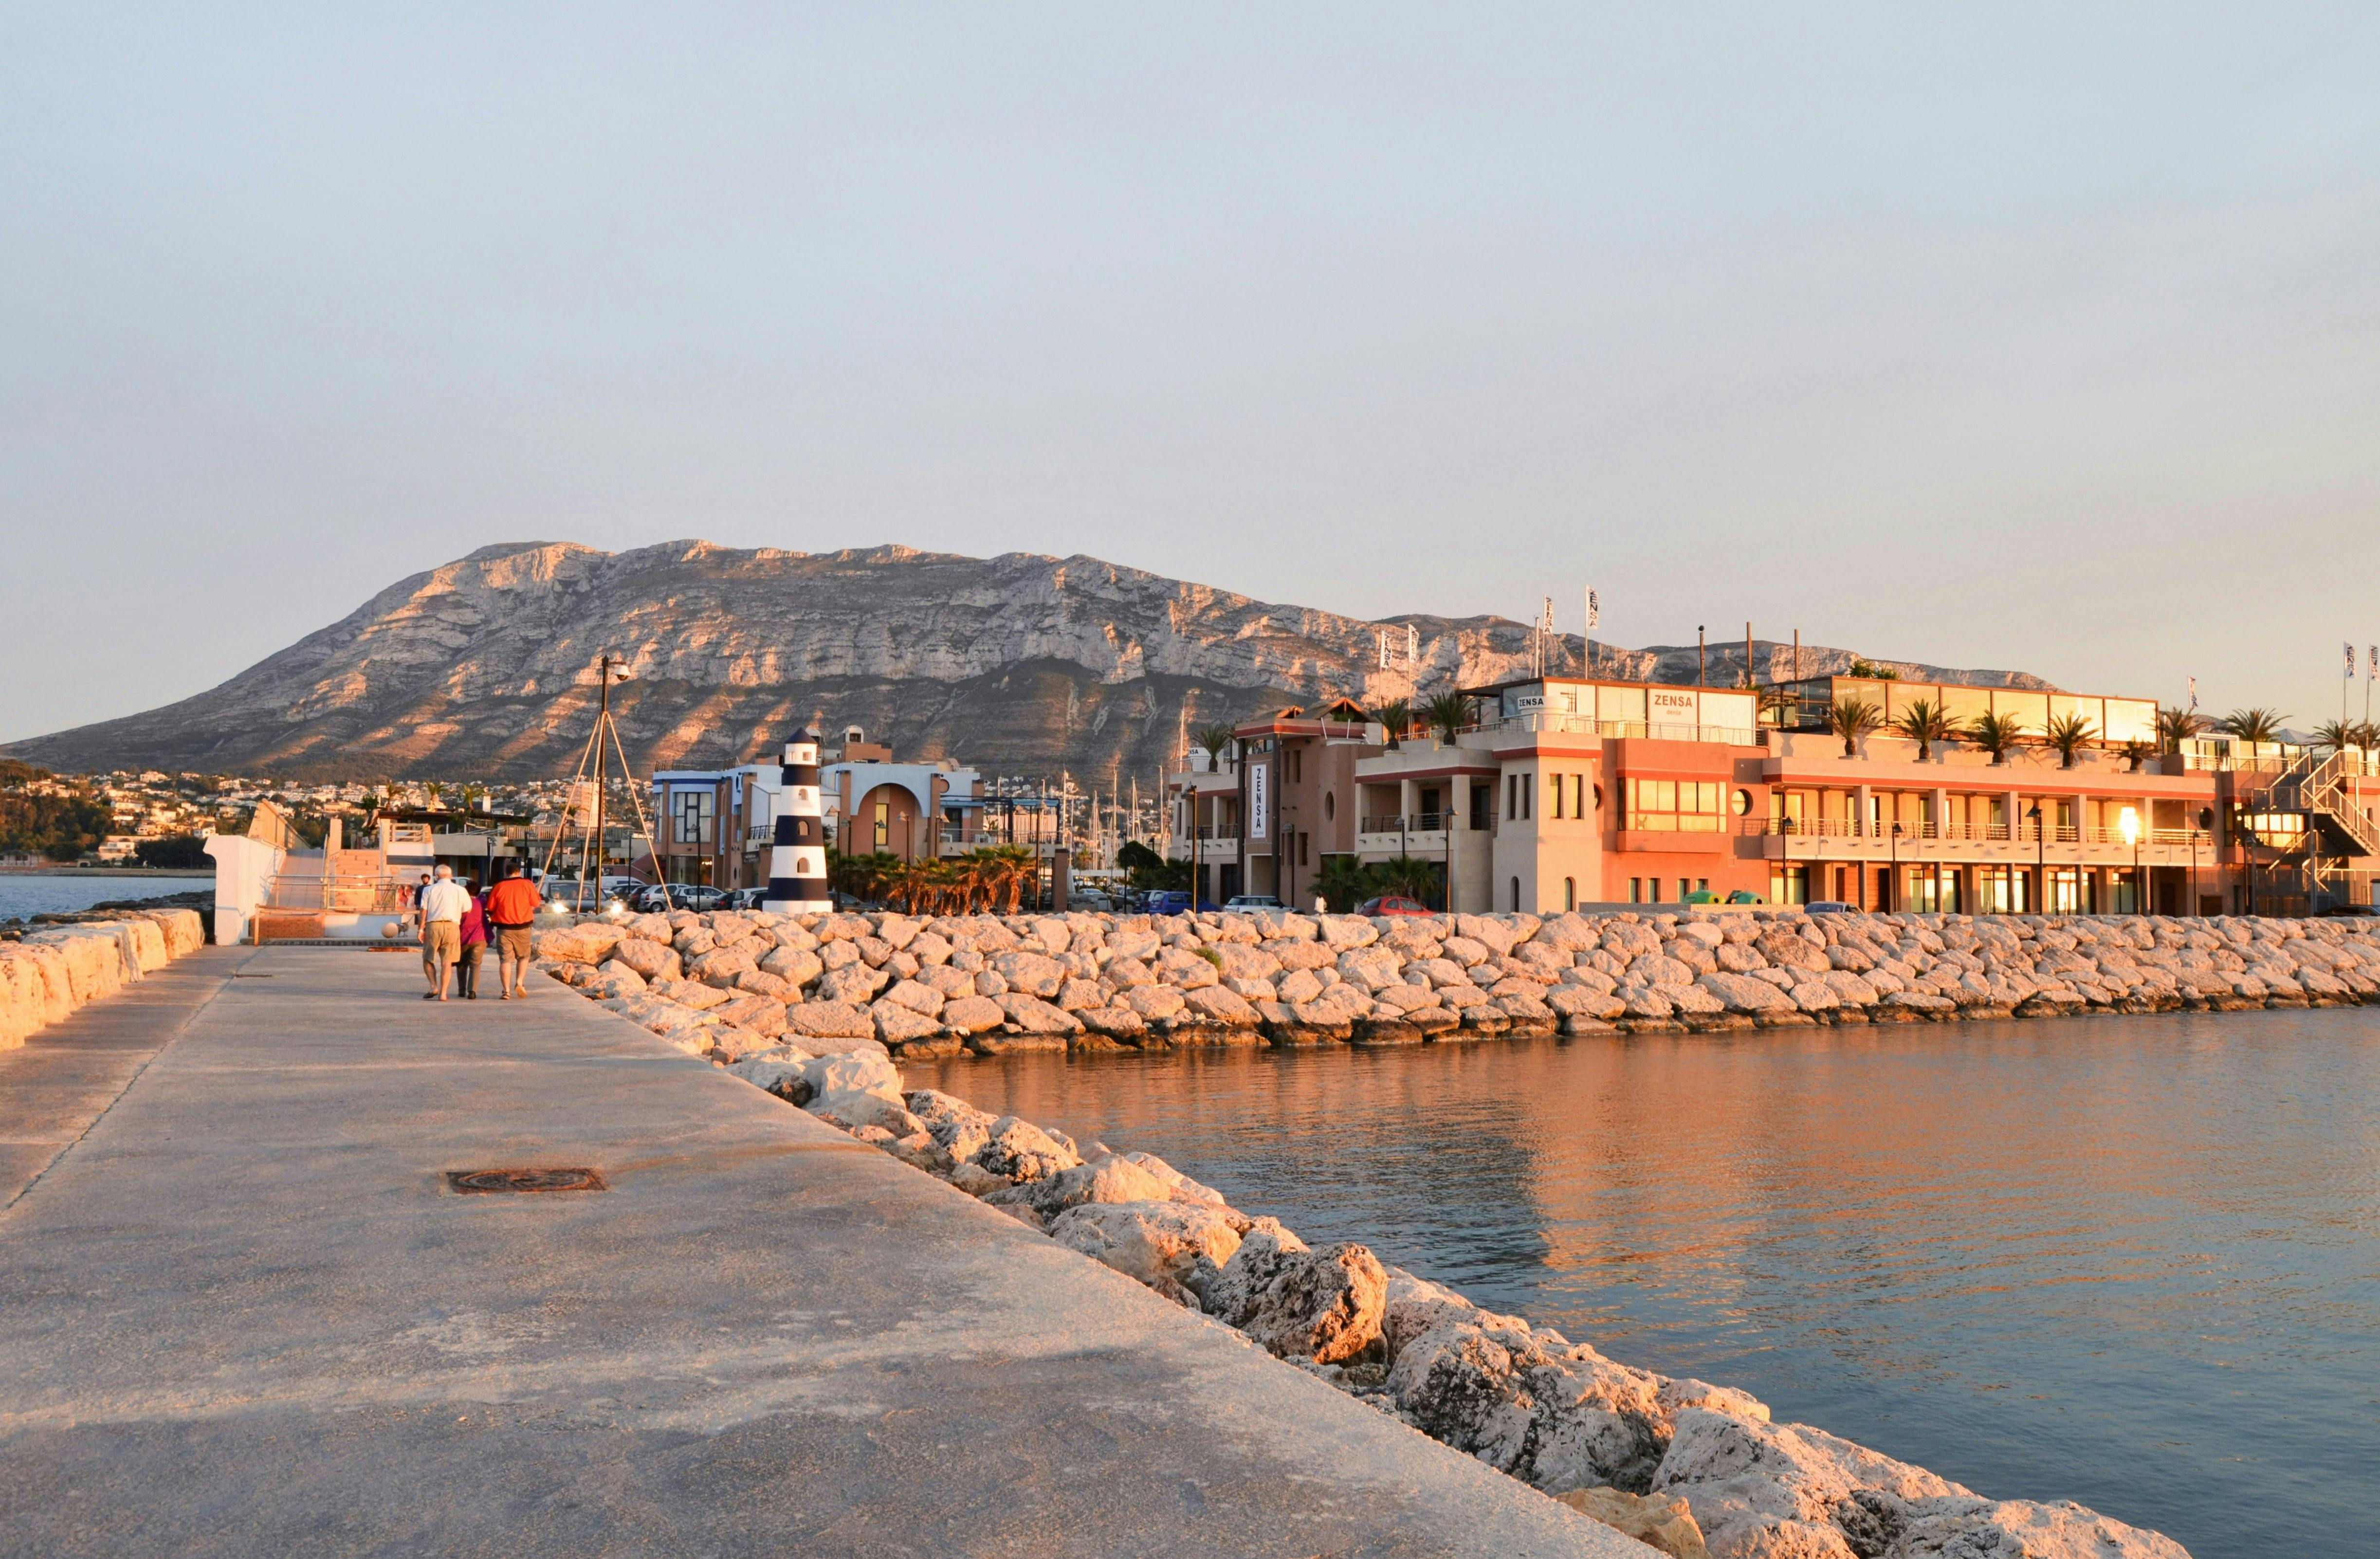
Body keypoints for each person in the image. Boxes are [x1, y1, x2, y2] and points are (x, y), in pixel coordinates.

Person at [484, 861, 544, 1001]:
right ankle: (520, 983)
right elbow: (536, 903)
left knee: (505, 960)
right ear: (519, 872)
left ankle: (506, 991)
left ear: (507, 873)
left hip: (504, 928)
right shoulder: (527, 884)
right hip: (523, 927)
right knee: (523, 957)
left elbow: (491, 908)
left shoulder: (499, 886)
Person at [418, 864, 472, 1001]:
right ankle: (443, 994)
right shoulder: (461, 890)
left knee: (428, 958)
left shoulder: (428, 890)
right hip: (452, 926)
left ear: (436, 877)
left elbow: (424, 910)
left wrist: (420, 929)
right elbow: (468, 910)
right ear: (451, 876)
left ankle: (433, 986)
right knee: (447, 962)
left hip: (433, 926)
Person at [455, 880, 488, 999]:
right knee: (476, 965)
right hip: (480, 938)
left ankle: (462, 990)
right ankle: (472, 991)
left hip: (463, 939)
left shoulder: (461, 904)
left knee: (461, 965)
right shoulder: (481, 902)